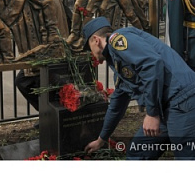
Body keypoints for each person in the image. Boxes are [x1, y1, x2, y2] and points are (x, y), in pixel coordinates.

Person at [83, 17, 195, 159]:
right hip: (165, 108)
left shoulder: (118, 40)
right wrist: (101, 139)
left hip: (183, 101)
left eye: (89, 48)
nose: (91, 54)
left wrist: (152, 113)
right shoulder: (117, 62)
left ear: (96, 40)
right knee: (137, 153)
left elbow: (152, 64)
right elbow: (117, 105)